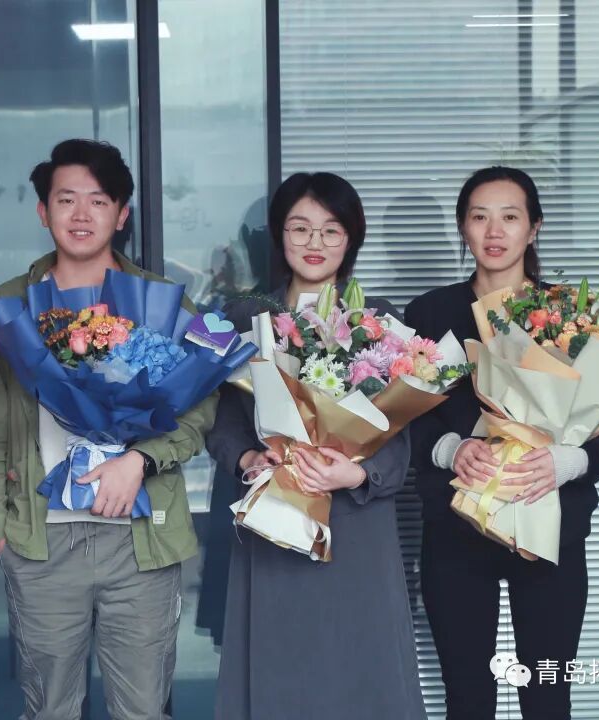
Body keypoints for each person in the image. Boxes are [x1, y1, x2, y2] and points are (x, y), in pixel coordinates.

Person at [0, 139, 215, 720]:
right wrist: (1, 532)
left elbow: (199, 408)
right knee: (49, 711)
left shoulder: (165, 305)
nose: (80, 214)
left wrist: (139, 461)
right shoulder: (9, 305)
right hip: (40, 540)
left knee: (143, 711)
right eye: (65, 199)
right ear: (42, 211)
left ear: (121, 214)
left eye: (98, 201)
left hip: (142, 539)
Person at [405, 166, 599, 720]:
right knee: (467, 699)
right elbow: (405, 418)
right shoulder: (429, 313)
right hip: (457, 526)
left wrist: (565, 461)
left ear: (534, 228)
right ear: (463, 227)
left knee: (548, 697)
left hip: (549, 523)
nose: (494, 230)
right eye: (479, 216)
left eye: (510, 216)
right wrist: (450, 449)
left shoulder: (573, 316)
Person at [206, 172, 427, 720]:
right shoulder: (244, 320)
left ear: (351, 239)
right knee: (280, 669)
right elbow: (221, 421)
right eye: (299, 227)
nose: (314, 242)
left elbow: (403, 431)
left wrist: (358, 474)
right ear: (279, 234)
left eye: (331, 230)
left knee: (362, 668)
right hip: (276, 512)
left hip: (358, 522)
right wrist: (248, 458)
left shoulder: (382, 323)